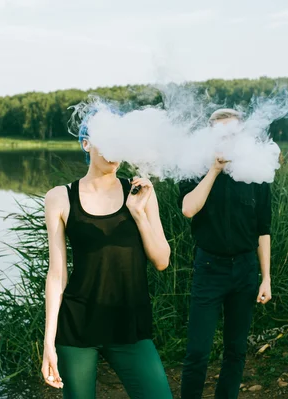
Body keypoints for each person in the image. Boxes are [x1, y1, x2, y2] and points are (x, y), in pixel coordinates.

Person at [41, 110, 173, 399]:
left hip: (130, 324)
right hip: (78, 327)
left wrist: (138, 214)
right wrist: (49, 342)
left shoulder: (140, 192)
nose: (114, 151)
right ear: (86, 144)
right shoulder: (60, 197)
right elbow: (57, 273)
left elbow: (162, 260)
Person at [179, 108, 273, 399]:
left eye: (233, 133)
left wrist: (266, 278)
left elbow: (263, 230)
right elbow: (188, 209)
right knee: (197, 351)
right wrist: (214, 170)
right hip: (209, 268)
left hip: (245, 270)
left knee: (236, 350)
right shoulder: (194, 169)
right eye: (220, 134)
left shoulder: (256, 173)